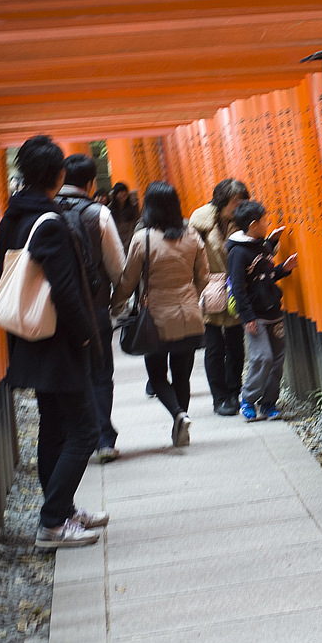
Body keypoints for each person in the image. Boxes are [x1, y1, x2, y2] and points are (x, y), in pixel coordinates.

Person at [0, 135, 109, 549]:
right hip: (60, 340)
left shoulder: (12, 217)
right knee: (85, 428)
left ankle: (61, 510)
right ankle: (52, 522)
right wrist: (85, 337)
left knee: (55, 426)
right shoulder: (50, 222)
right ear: (59, 176)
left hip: (30, 336)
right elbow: (65, 289)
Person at [112, 181, 209, 448]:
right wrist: (190, 294)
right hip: (189, 316)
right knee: (182, 377)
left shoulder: (143, 239)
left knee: (156, 376)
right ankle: (182, 429)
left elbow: (128, 281)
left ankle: (179, 414)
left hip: (156, 318)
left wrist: (115, 305)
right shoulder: (192, 237)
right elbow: (203, 277)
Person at [56, 154, 126, 463]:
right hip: (94, 308)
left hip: (56, 311)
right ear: (90, 183)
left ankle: (74, 440)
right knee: (99, 373)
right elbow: (117, 267)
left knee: (69, 373)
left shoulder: (48, 211)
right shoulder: (99, 213)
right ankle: (102, 439)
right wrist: (117, 303)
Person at [225, 200, 298, 422]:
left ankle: (268, 403)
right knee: (262, 357)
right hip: (255, 315)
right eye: (264, 220)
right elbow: (238, 287)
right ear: (254, 224)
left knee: (277, 359)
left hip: (273, 311)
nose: (267, 223)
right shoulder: (238, 252)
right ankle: (248, 399)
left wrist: (283, 269)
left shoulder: (261, 246)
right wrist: (247, 317)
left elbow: (266, 276)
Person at [189, 178, 250, 416]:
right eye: (236, 201)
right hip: (209, 289)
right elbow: (190, 255)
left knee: (236, 345)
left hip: (235, 289)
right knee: (214, 347)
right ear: (223, 201)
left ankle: (234, 391)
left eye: (243, 200)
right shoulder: (200, 223)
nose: (240, 205)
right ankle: (220, 397)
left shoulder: (245, 221)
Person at [109, 181, 140, 252]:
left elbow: (137, 223)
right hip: (117, 243)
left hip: (132, 241)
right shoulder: (110, 209)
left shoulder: (133, 206)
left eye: (125, 191)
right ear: (115, 194)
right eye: (120, 191)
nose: (123, 193)